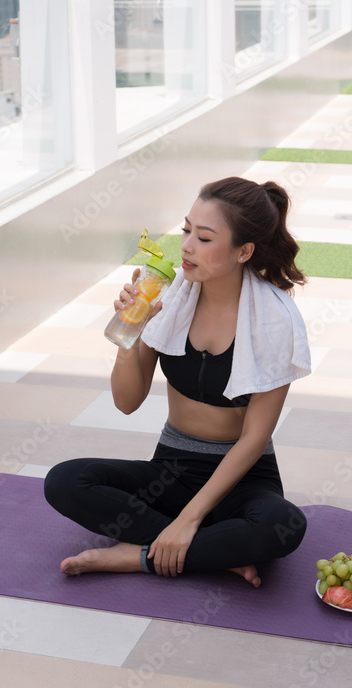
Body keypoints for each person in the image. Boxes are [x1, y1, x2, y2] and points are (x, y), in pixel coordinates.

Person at [44, 176, 312, 588]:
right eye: (187, 230)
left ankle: (137, 556)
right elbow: (126, 401)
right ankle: (214, 554)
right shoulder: (170, 298)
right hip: (172, 468)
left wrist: (187, 520)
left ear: (244, 251)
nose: (186, 246)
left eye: (204, 238)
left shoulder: (275, 318)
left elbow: (255, 439)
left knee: (284, 524)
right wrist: (130, 329)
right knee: (64, 481)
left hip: (243, 478)